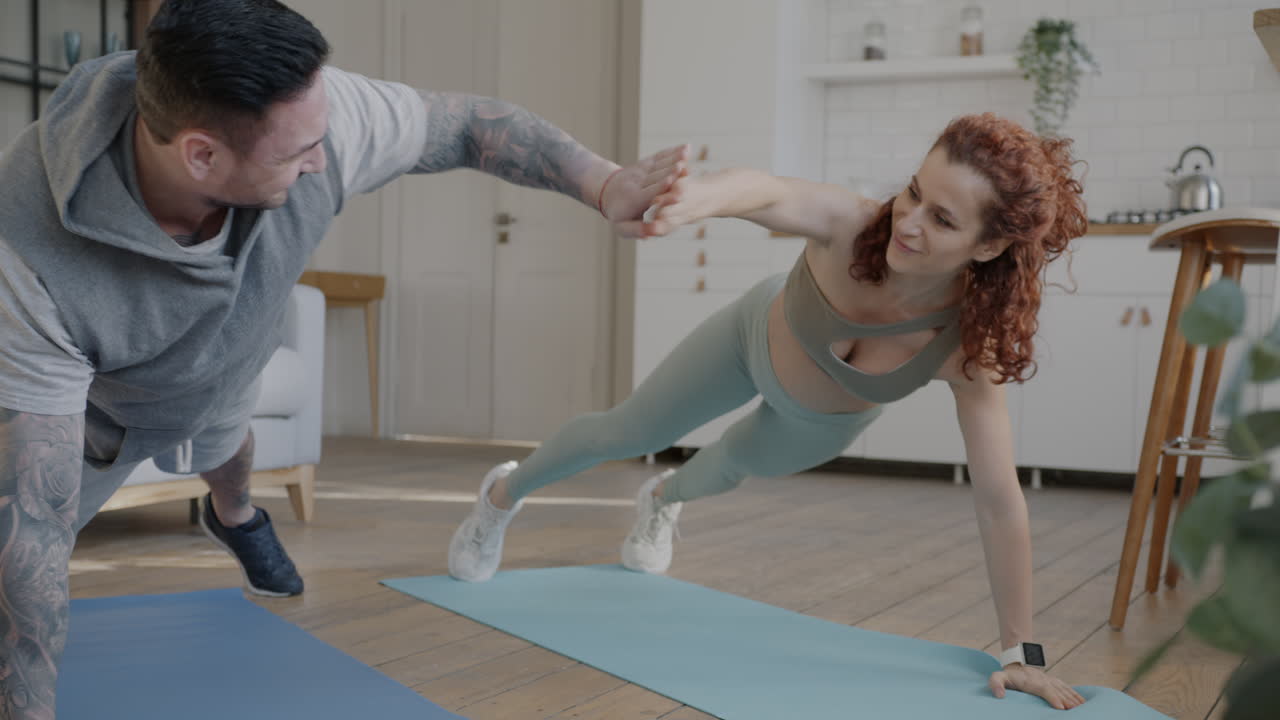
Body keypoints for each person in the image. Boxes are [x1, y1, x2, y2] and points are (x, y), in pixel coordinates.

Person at [0, 0, 684, 716]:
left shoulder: (307, 116)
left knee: (228, 446)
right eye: (299, 154)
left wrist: (604, 184)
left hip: (231, 363)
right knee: (16, 561)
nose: (323, 161)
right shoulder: (26, 244)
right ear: (201, 153)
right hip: (105, 412)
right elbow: (32, 541)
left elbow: (467, 125)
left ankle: (233, 517)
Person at [448, 112, 1090, 711]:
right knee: (630, 429)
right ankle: (502, 495)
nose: (910, 221)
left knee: (724, 467)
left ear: (985, 248)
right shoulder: (853, 224)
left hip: (822, 423)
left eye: (943, 219)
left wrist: (1021, 651)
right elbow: (765, 192)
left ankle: (662, 500)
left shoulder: (965, 348)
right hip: (746, 341)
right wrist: (698, 200)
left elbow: (1000, 499)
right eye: (914, 192)